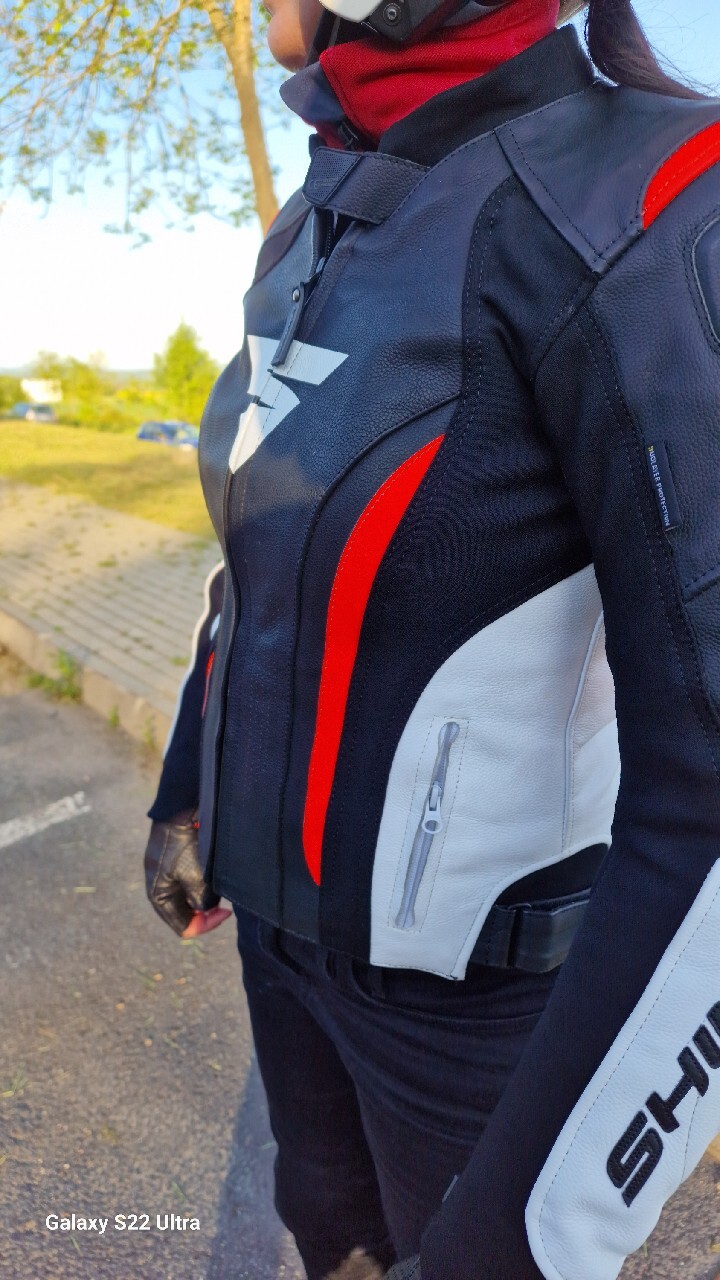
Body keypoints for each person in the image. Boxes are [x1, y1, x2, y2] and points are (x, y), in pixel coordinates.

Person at [144, 0, 720, 1275]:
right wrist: (188, 787)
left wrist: (528, 1234)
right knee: (326, 1233)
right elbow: (263, 550)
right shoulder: (319, 208)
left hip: (478, 1010)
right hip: (285, 953)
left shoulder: (650, 197)